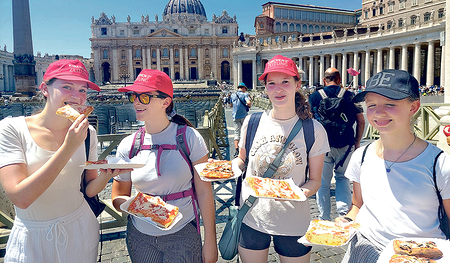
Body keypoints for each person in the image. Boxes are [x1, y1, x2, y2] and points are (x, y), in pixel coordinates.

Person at [0, 59, 131, 262]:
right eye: (67, 87)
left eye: (82, 90)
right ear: (45, 89)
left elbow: (88, 189)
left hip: (81, 229)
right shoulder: (11, 129)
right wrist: (68, 147)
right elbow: (21, 198)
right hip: (31, 237)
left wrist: (107, 175)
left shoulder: (89, 134)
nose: (77, 97)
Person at [339, 69, 450, 262]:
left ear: (413, 107)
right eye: (371, 105)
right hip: (364, 249)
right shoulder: (361, 156)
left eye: (390, 104)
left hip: (418, 255)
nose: (379, 112)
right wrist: (347, 220)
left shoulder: (440, 164)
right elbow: (357, 205)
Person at [111, 69, 218, 263]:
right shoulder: (128, 144)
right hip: (140, 235)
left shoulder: (190, 138)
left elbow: (204, 192)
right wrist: (139, 207)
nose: (135, 102)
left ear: (166, 102)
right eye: (133, 96)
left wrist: (210, 241)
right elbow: (118, 197)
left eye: (144, 97)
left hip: (183, 231)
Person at [234, 55, 330, 263]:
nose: (278, 89)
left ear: (297, 84)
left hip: (293, 220)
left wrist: (296, 193)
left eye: (285, 82)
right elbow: (242, 161)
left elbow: (315, 181)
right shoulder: (252, 122)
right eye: (271, 84)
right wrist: (231, 168)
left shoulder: (314, 130)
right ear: (265, 88)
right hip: (252, 216)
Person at [308, 67, 365, 220]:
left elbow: (308, 122)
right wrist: (357, 142)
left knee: (323, 183)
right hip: (346, 144)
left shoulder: (314, 97)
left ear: (323, 80)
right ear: (339, 80)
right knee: (343, 178)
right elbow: (361, 121)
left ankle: (324, 217)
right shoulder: (350, 95)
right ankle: (344, 215)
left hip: (322, 146)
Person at [231, 82, 251, 157]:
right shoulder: (245, 94)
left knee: (236, 133)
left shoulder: (233, 95)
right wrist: (249, 105)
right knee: (245, 131)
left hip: (235, 116)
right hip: (243, 116)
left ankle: (237, 150)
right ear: (243, 88)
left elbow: (231, 105)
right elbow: (248, 102)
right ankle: (244, 149)